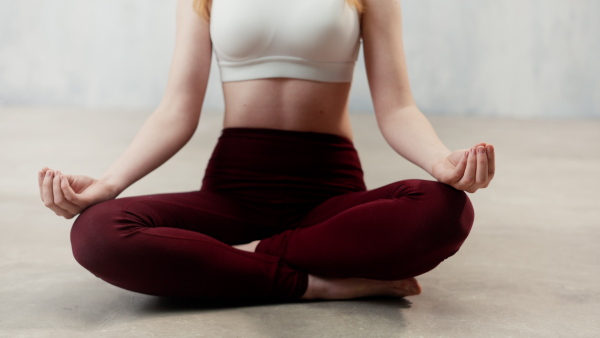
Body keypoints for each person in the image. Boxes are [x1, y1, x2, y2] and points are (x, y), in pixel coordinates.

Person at [38, 0, 495, 301]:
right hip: (233, 192)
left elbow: (397, 108)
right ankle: (311, 284)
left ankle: (243, 257)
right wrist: (108, 183)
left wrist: (441, 162)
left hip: (329, 195)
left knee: (445, 209)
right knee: (97, 232)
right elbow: (177, 109)